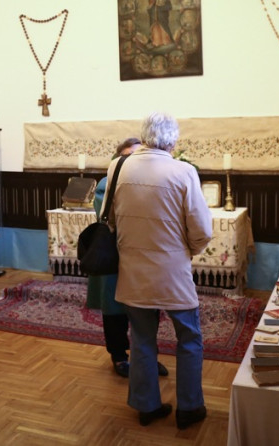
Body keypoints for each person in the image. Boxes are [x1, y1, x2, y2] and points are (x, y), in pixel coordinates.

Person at [108, 112, 212, 429]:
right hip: (173, 272)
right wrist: (188, 251)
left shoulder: (118, 167)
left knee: (141, 339)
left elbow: (110, 220)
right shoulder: (184, 171)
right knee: (189, 338)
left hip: (133, 270)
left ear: (144, 136)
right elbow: (202, 229)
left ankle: (147, 406)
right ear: (173, 141)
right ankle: (189, 408)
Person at [86, 137, 168, 379]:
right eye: (127, 156)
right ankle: (119, 355)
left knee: (148, 308)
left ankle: (148, 356)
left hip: (143, 255)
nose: (133, 160)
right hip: (116, 254)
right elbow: (110, 215)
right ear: (117, 159)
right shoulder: (106, 184)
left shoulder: (151, 181)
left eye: (137, 155)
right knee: (115, 310)